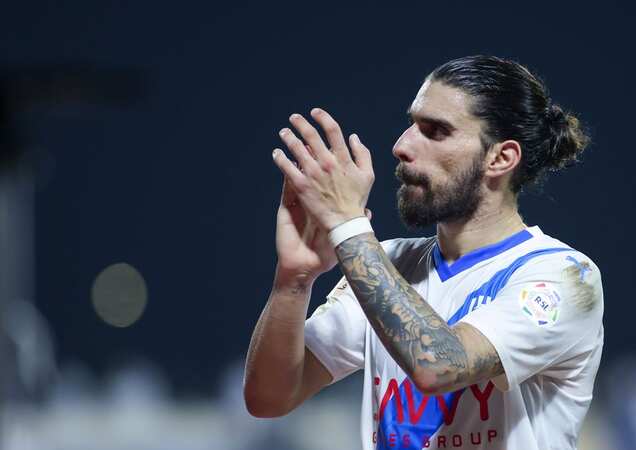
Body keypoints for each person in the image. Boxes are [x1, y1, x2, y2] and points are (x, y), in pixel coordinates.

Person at [243, 55, 604, 450]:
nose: (401, 146)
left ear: (501, 158)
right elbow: (269, 398)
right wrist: (293, 281)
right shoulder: (390, 262)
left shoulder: (563, 277)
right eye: (411, 124)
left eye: (435, 131)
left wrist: (348, 226)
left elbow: (439, 366)